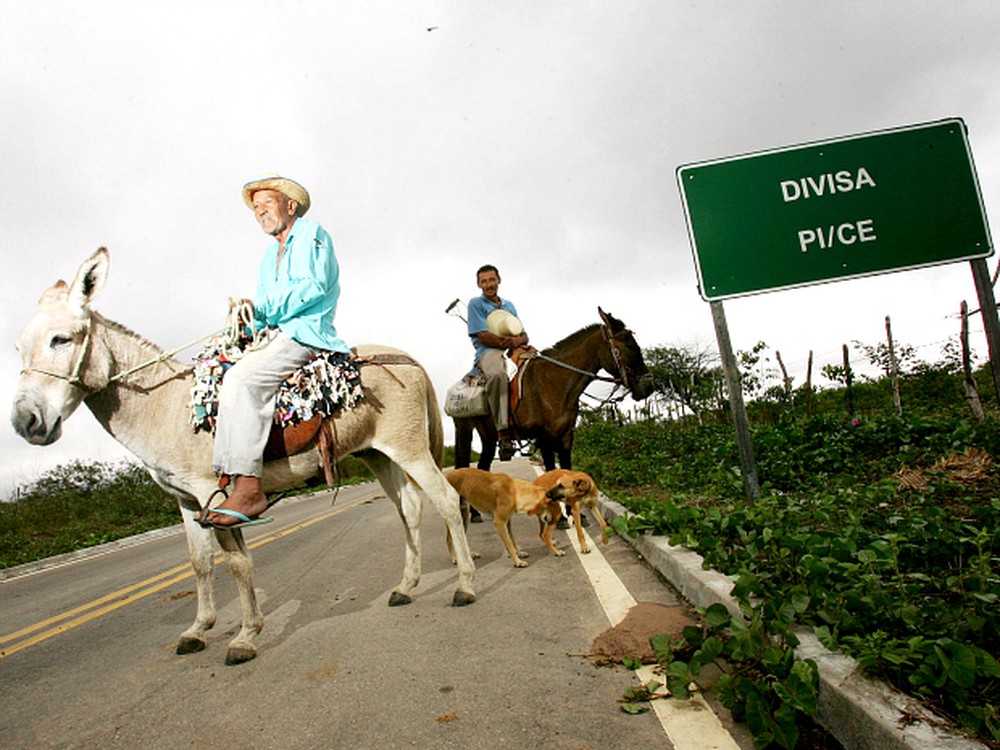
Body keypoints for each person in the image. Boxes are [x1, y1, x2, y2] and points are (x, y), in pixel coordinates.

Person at [199, 175, 350, 529]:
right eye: (255, 207)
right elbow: (266, 311)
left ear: (290, 206)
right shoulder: (270, 255)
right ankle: (227, 478)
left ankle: (250, 487)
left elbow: (312, 287)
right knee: (222, 374)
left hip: (308, 334)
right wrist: (246, 317)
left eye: (266, 203)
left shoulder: (311, 233)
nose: (259, 211)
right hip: (280, 334)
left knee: (244, 380)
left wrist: (267, 309)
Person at [466, 264, 529, 461]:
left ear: (498, 280)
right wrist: (506, 342)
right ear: (478, 284)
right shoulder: (476, 304)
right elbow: (483, 336)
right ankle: (503, 433)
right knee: (497, 374)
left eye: (491, 280)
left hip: (512, 347)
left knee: (536, 368)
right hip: (489, 351)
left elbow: (523, 334)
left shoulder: (509, 306)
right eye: (484, 281)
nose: (488, 285)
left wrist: (517, 342)